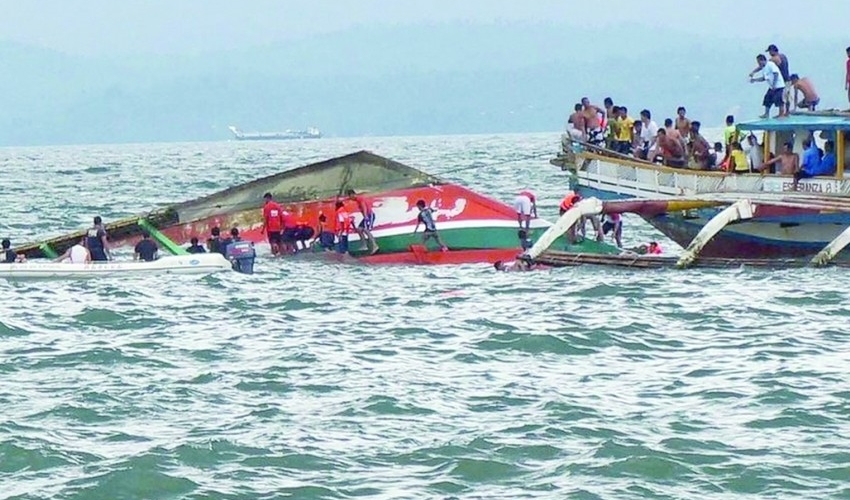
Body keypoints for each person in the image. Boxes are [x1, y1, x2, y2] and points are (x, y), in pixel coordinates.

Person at [749, 54, 783, 119]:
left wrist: (774, 84)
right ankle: (766, 114)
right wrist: (755, 80)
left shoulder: (770, 64)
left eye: (759, 62)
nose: (758, 64)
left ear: (762, 60)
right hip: (771, 87)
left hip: (778, 86)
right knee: (767, 99)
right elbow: (764, 78)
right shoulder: (764, 68)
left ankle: (781, 115)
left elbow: (776, 74)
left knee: (779, 100)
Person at [347, 189, 378, 254]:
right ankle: (364, 245)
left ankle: (375, 246)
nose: (350, 199)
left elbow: (364, 207)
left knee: (366, 230)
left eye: (350, 197)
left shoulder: (359, 199)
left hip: (369, 215)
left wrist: (366, 216)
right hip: (366, 216)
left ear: (352, 195)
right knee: (359, 229)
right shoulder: (357, 200)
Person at [766, 44, 791, 117]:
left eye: (770, 52)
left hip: (782, 81)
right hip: (787, 79)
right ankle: (787, 112)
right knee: (786, 96)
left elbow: (766, 65)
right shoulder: (783, 56)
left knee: (781, 97)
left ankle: (781, 114)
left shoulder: (774, 59)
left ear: (772, 51)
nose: (769, 54)